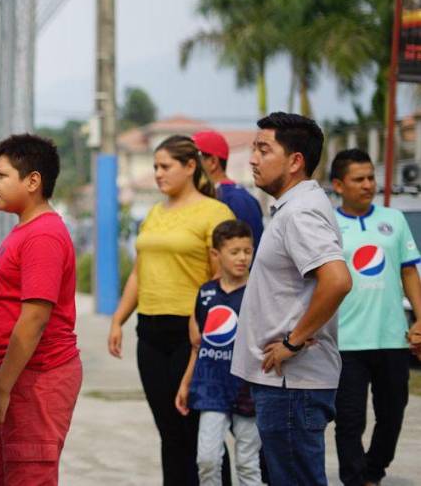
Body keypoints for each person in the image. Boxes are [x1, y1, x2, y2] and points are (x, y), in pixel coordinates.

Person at [231, 112, 353, 486]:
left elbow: (337, 280)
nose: (253, 158)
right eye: (253, 148)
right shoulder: (292, 208)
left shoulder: (300, 213)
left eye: (263, 149)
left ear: (295, 161)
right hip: (284, 386)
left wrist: (292, 342)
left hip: (292, 386)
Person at [107, 134, 235, 486]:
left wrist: (203, 328)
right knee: (169, 432)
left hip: (191, 334)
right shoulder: (153, 213)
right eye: (155, 167)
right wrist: (119, 319)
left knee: (195, 430)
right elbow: (139, 271)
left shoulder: (215, 212)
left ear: (191, 166)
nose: (158, 174)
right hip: (150, 332)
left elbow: (221, 279)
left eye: (165, 167)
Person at [0, 134, 82, 485]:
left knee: (29, 475)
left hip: (37, 377)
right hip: (20, 371)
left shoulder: (43, 236)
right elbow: (10, 296)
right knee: (12, 474)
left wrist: (2, 388)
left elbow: (35, 319)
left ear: (33, 181)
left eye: (2, 175)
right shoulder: (26, 228)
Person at [329, 149, 421, 486]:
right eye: (359, 179)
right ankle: (355, 480)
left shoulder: (393, 220)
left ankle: (373, 472)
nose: (368, 184)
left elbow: (409, 272)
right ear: (338, 184)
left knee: (393, 415)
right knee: (350, 422)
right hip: (345, 342)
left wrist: (420, 320)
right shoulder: (328, 225)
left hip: (391, 338)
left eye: (371, 177)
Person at [175, 220, 262, 486]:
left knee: (247, 463)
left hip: (248, 390)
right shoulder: (206, 294)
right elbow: (198, 346)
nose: (242, 258)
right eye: (234, 252)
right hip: (211, 389)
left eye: (247, 251)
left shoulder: (258, 293)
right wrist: (186, 382)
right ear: (216, 254)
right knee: (207, 459)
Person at [193, 130, 265, 249]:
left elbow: (250, 253)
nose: (187, 164)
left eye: (194, 157)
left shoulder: (239, 200)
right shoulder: (196, 196)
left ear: (212, 162)